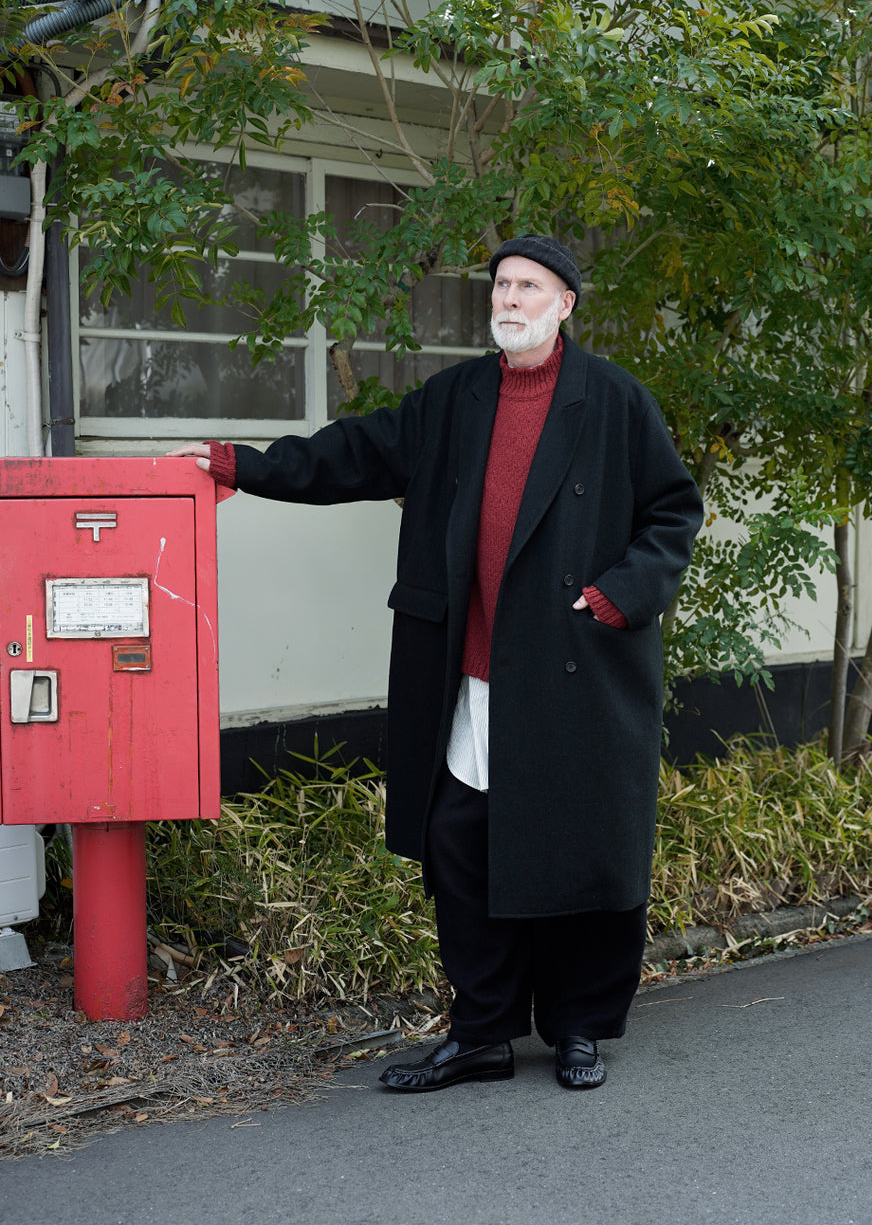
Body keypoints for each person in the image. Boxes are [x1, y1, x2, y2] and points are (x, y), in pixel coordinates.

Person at [172, 234, 703, 1092]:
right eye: (502, 285)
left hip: (574, 664)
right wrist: (241, 465)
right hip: (470, 670)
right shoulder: (457, 397)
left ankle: (578, 1028)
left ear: (565, 304)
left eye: (529, 287)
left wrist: (620, 594)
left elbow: (674, 510)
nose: (510, 299)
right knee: (458, 844)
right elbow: (355, 452)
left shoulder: (613, 399)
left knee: (576, 847)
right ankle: (483, 1032)